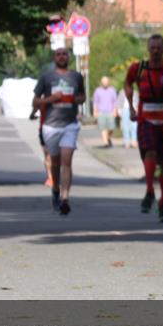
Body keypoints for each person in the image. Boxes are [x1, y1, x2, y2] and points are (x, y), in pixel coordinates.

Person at [125, 35, 163, 223]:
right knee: (149, 153)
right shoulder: (138, 68)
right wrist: (131, 106)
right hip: (146, 118)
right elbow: (127, 83)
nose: (156, 51)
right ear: (148, 49)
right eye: (153, 48)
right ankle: (150, 190)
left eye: (159, 47)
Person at [33, 47, 86, 215]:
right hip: (50, 125)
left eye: (64, 54)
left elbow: (83, 97)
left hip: (70, 124)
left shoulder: (76, 77)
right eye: (58, 54)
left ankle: (65, 198)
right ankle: (55, 189)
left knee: (67, 160)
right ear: (54, 58)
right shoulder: (46, 77)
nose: (62, 57)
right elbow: (35, 102)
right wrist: (51, 99)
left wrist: (75, 99)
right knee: (55, 163)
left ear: (69, 57)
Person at [92, 76, 119, 148]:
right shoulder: (97, 91)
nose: (105, 83)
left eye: (106, 81)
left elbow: (115, 102)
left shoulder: (112, 90)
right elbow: (95, 102)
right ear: (101, 82)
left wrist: (115, 111)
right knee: (103, 128)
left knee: (111, 128)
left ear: (108, 82)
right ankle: (105, 143)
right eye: (103, 81)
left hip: (110, 112)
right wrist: (95, 111)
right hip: (101, 112)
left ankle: (108, 138)